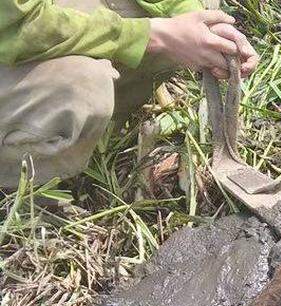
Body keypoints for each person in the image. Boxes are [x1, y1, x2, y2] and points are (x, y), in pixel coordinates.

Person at [0, 0, 260, 189]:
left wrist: (195, 20)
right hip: (12, 29)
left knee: (202, 8)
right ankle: (25, 184)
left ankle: (79, 131)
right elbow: (17, 28)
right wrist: (153, 36)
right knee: (79, 91)